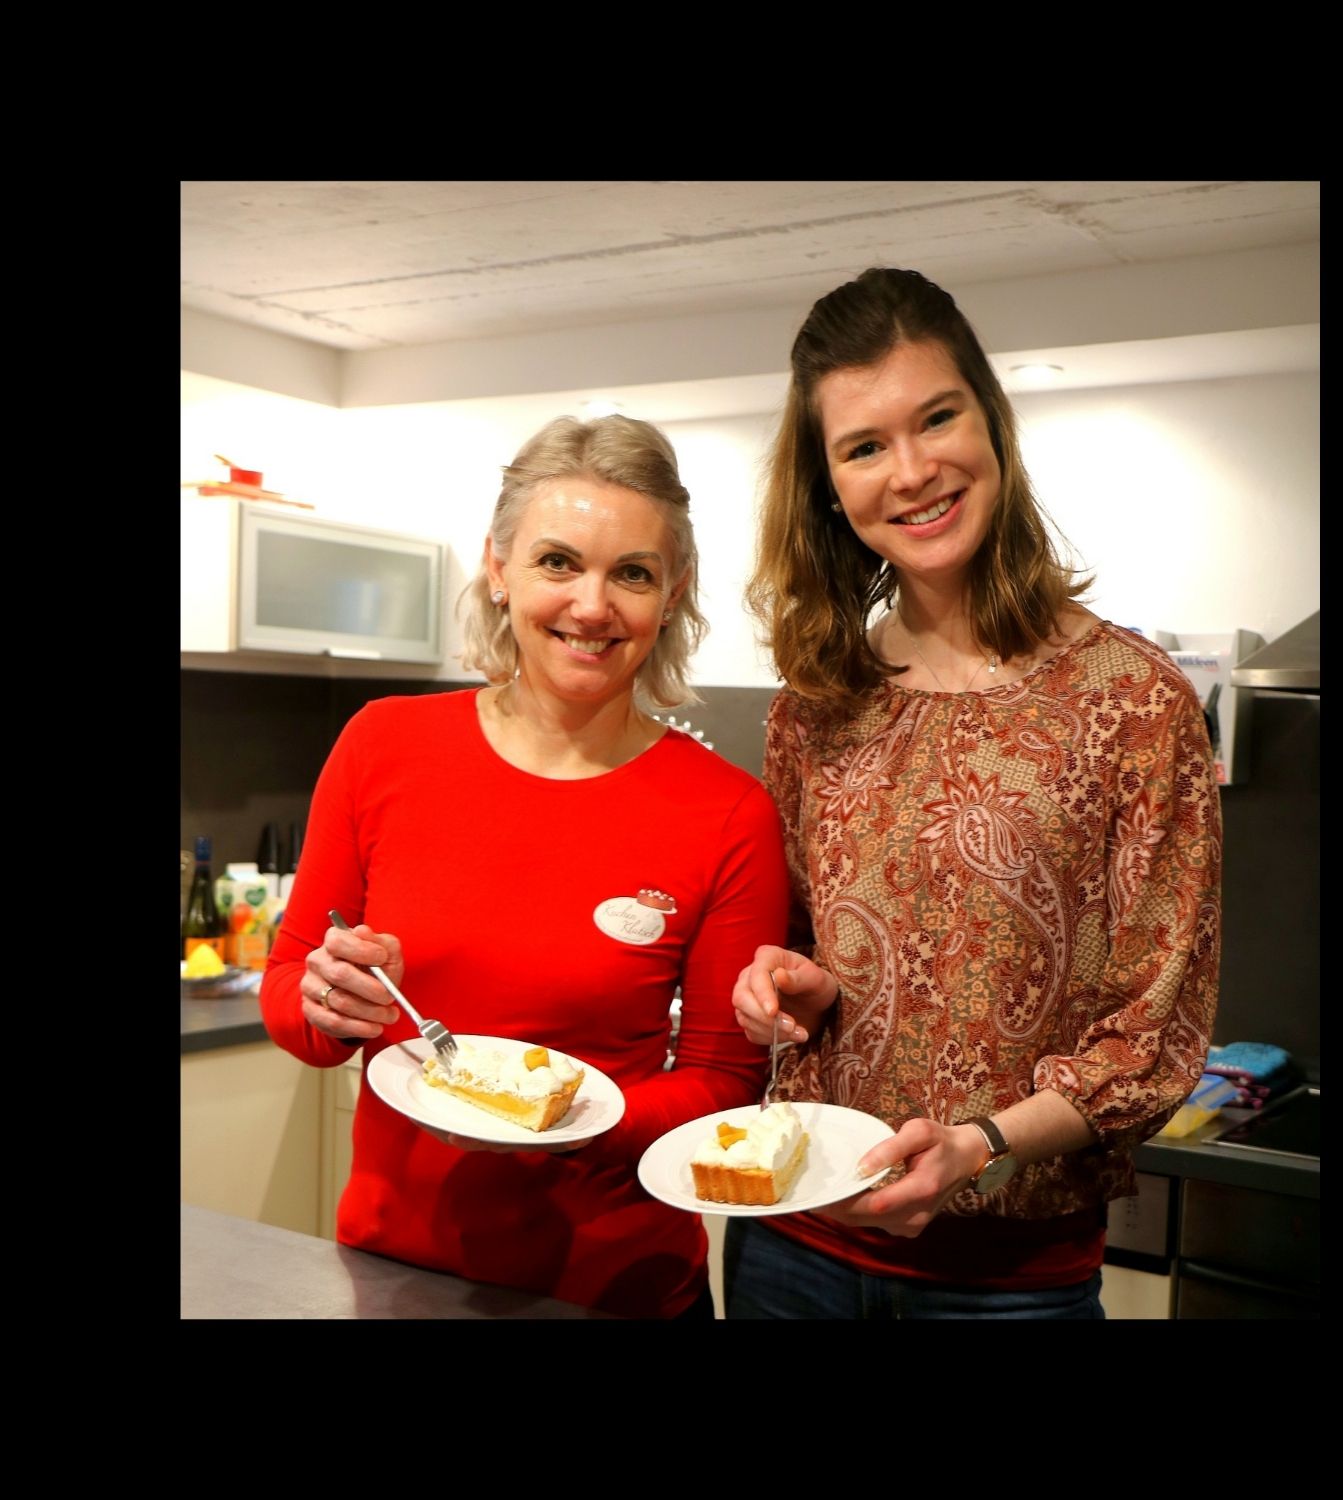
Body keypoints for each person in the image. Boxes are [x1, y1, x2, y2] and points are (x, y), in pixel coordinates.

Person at [725, 267, 1221, 1319]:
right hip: (793, 1246)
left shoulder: (1135, 703)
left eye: (935, 418)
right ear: (828, 485)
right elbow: (805, 949)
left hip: (1007, 1284)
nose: (910, 472)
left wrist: (982, 1145)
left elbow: (1153, 1034)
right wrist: (783, 985)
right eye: (864, 447)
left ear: (989, 420)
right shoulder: (816, 704)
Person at [260, 414, 789, 1319]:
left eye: (632, 573)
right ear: (499, 569)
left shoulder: (729, 812)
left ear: (673, 594)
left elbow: (723, 1081)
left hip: (615, 1287)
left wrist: (582, 1126)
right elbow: (292, 995)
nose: (592, 605)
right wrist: (326, 1005)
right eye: (558, 562)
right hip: (397, 1273)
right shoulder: (383, 746)